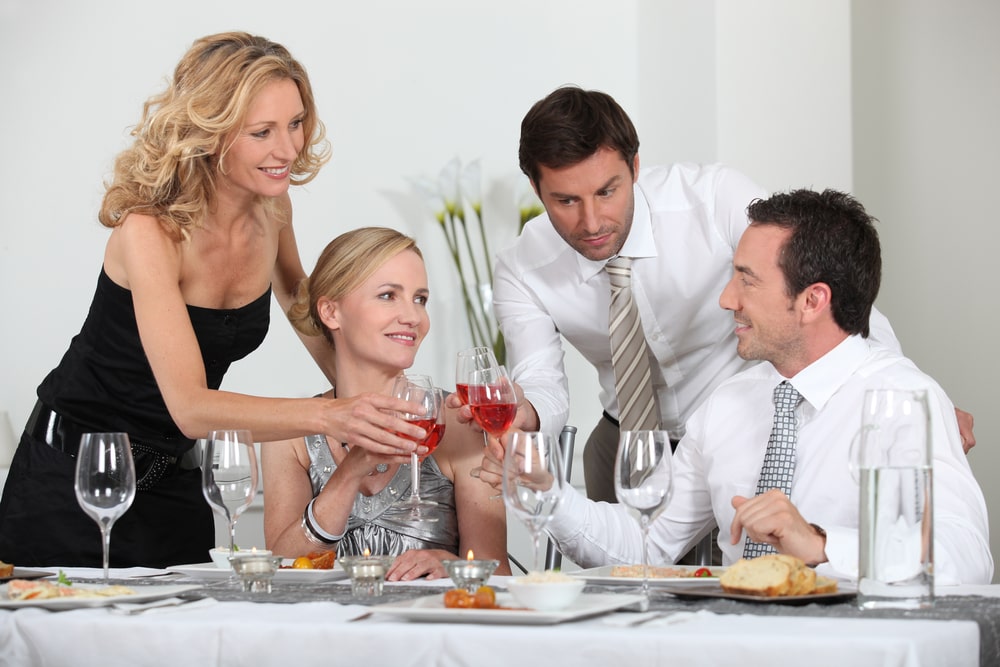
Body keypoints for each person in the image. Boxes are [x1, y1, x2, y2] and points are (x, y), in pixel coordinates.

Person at [0, 33, 426, 569]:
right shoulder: (147, 232)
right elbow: (192, 408)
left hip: (177, 482)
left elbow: (313, 317)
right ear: (209, 132)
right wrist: (334, 415)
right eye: (262, 132)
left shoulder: (272, 212)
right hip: (74, 480)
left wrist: (393, 402)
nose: (288, 150)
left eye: (295, 124)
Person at [473, 85, 974, 507]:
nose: (592, 222)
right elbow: (540, 380)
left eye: (608, 191)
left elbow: (829, 294)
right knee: (629, 591)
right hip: (624, 442)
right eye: (566, 201)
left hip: (742, 431)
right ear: (538, 191)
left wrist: (903, 398)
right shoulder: (521, 268)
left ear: (635, 167)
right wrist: (526, 414)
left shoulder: (711, 199)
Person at [479, 189, 993, 584]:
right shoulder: (729, 403)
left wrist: (819, 544)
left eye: (747, 280)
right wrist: (546, 490)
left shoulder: (903, 400)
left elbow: (965, 559)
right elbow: (645, 547)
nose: (727, 299)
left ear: (813, 300)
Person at [261, 228, 510, 580]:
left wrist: (452, 565)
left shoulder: (455, 422)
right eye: (388, 295)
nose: (413, 316)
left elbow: (498, 574)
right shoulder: (291, 434)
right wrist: (350, 472)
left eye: (420, 299)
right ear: (331, 312)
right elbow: (279, 572)